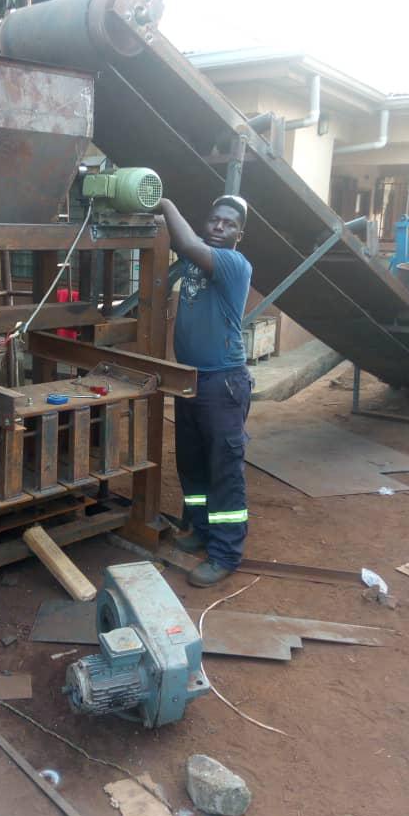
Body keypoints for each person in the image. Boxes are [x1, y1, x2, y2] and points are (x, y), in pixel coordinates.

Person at [158, 195, 253, 587]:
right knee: (192, 464)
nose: (218, 227)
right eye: (214, 220)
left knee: (224, 470)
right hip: (190, 380)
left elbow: (184, 243)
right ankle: (200, 529)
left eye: (228, 224)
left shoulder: (233, 264)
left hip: (222, 383)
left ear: (238, 235)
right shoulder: (195, 263)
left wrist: (164, 203)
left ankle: (226, 553)